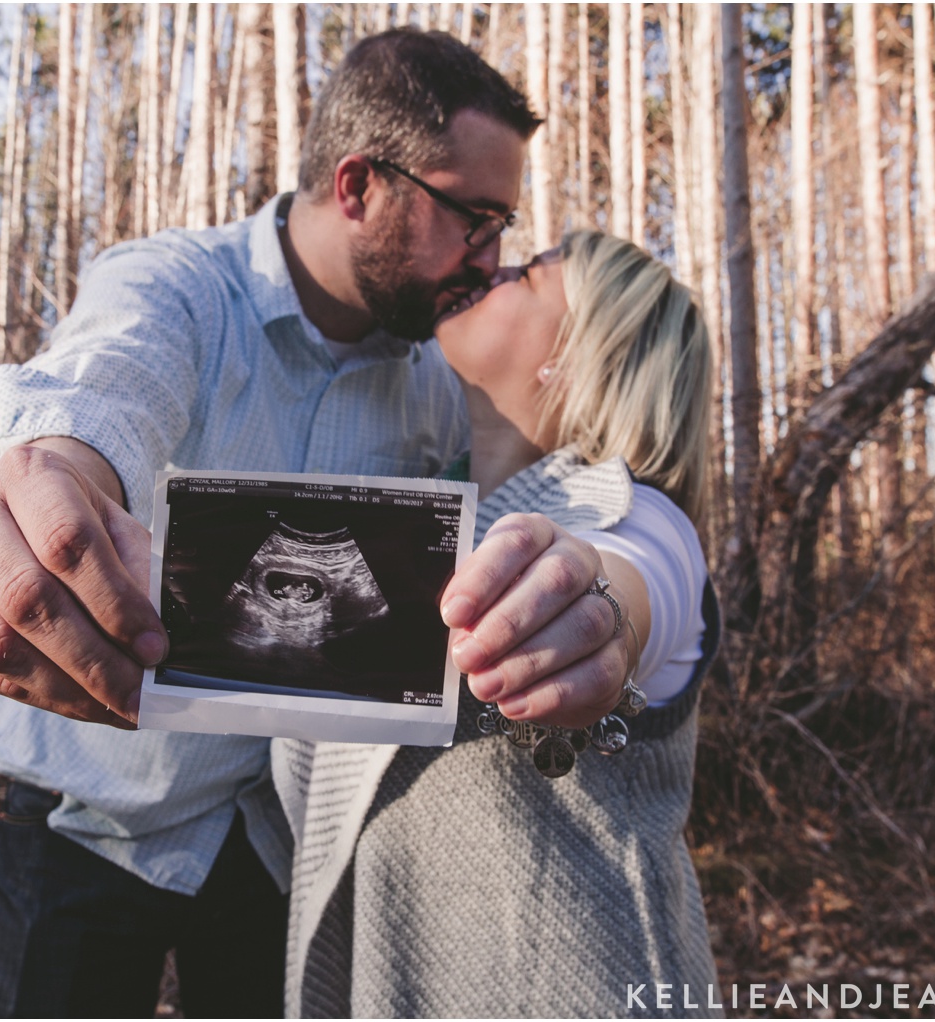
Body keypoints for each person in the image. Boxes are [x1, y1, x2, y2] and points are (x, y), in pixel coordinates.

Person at [0, 30, 639, 1017]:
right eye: (474, 218)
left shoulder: (435, 382)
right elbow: (95, 390)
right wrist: (47, 471)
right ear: (357, 186)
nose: (489, 257)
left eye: (501, 226)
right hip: (88, 824)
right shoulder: (175, 286)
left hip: (272, 847)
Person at [278, 231, 721, 1017]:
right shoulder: (406, 515)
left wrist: (594, 616)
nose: (489, 266)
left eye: (526, 273)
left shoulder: (640, 519)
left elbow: (626, 579)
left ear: (579, 354)